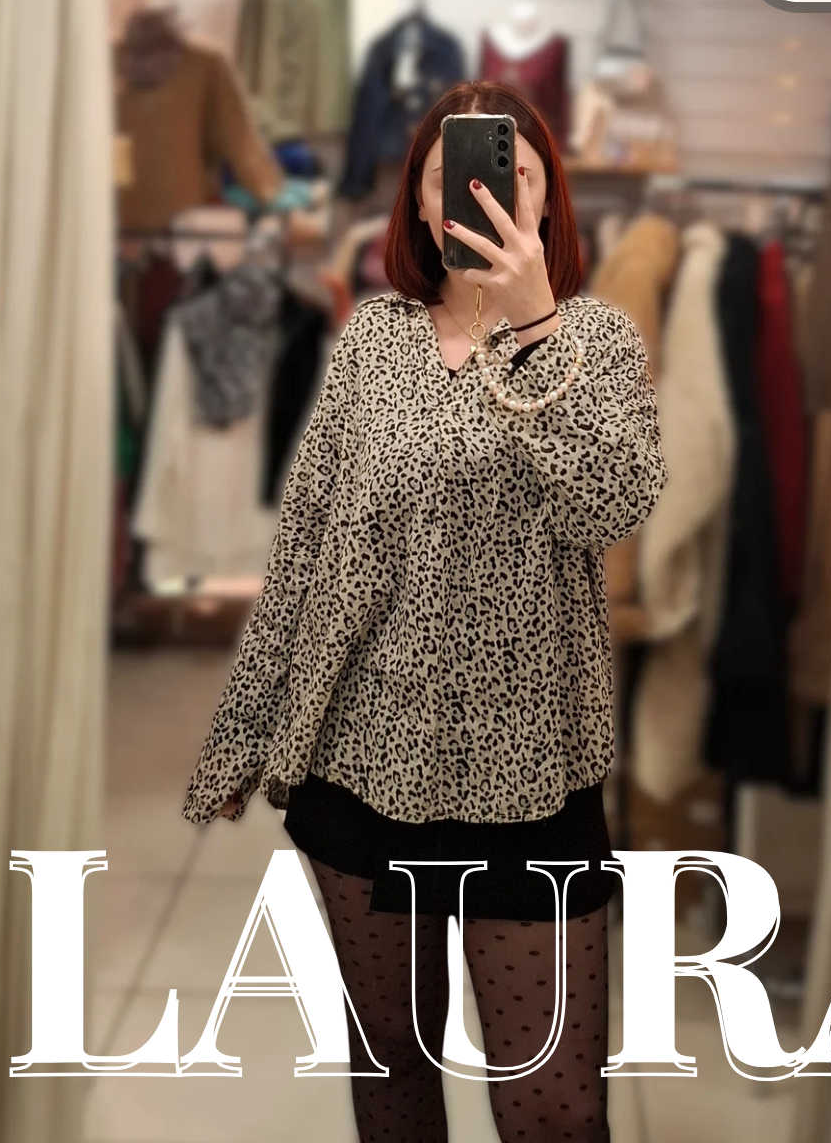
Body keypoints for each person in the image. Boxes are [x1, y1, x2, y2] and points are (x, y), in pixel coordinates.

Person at [182, 80, 668, 1142]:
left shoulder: (597, 342)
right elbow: (307, 551)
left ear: (545, 197)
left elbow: (612, 504)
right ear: (416, 201)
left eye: (511, 175)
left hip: (531, 776)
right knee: (394, 1076)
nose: (483, 196)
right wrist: (242, 738)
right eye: (454, 179)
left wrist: (534, 324)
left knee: (553, 1105)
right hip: (364, 765)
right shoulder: (373, 343)